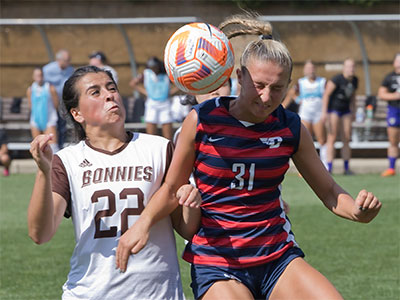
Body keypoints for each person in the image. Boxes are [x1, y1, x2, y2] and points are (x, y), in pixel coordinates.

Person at [115, 15, 381, 300]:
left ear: (290, 86)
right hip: (218, 262)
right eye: (259, 85)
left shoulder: (291, 127)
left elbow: (328, 190)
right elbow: (170, 188)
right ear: (239, 77)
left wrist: (356, 211)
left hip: (277, 257)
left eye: (277, 88)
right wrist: (141, 225)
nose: (266, 97)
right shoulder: (202, 120)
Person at [27, 65, 201, 299]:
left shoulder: (159, 149)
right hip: (91, 292)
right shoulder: (67, 160)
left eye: (112, 88)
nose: (110, 95)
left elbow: (187, 229)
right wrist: (43, 172)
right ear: (77, 113)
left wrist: (191, 202)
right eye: (95, 92)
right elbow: (41, 233)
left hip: (157, 293)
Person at [283, 60, 328, 168]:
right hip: (306, 113)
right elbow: (291, 94)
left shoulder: (322, 82)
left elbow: (327, 96)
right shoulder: (301, 82)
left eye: (312, 68)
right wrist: (298, 100)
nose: (310, 71)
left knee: (322, 139)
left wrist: (325, 112)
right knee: (305, 141)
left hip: (318, 113)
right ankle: (306, 167)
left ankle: (324, 165)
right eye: (308, 68)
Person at [322, 58, 358, 175]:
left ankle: (346, 168)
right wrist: (324, 113)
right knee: (331, 138)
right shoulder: (336, 79)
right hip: (334, 110)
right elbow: (326, 94)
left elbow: (353, 96)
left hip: (346, 111)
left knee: (346, 138)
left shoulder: (354, 80)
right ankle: (329, 167)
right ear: (344, 68)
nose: (351, 69)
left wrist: (354, 111)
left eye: (352, 67)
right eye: (348, 67)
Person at [130, 56, 178, 140]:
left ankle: (168, 149)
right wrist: (145, 92)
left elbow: (178, 83)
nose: (153, 69)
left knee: (167, 134)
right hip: (152, 104)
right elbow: (133, 83)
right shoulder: (146, 74)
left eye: (154, 67)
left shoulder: (166, 74)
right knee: (151, 133)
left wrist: (170, 92)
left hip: (165, 104)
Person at [43, 49, 74, 149]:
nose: (68, 62)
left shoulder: (70, 70)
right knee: (52, 126)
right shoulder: (48, 70)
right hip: (50, 104)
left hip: (63, 102)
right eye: (66, 60)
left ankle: (60, 146)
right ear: (59, 60)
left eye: (69, 60)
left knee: (62, 126)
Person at [26, 67, 59, 152]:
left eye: (40, 75)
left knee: (53, 145)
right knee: (37, 145)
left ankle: (54, 164)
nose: (39, 77)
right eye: (37, 76)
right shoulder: (30, 89)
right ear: (34, 77)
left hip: (49, 119)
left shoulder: (50, 88)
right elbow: (31, 105)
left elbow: (56, 103)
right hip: (36, 119)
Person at [378, 53, 400, 177]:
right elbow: (382, 94)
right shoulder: (389, 77)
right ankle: (391, 168)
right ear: (394, 63)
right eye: (398, 60)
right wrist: (396, 96)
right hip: (394, 110)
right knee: (393, 141)